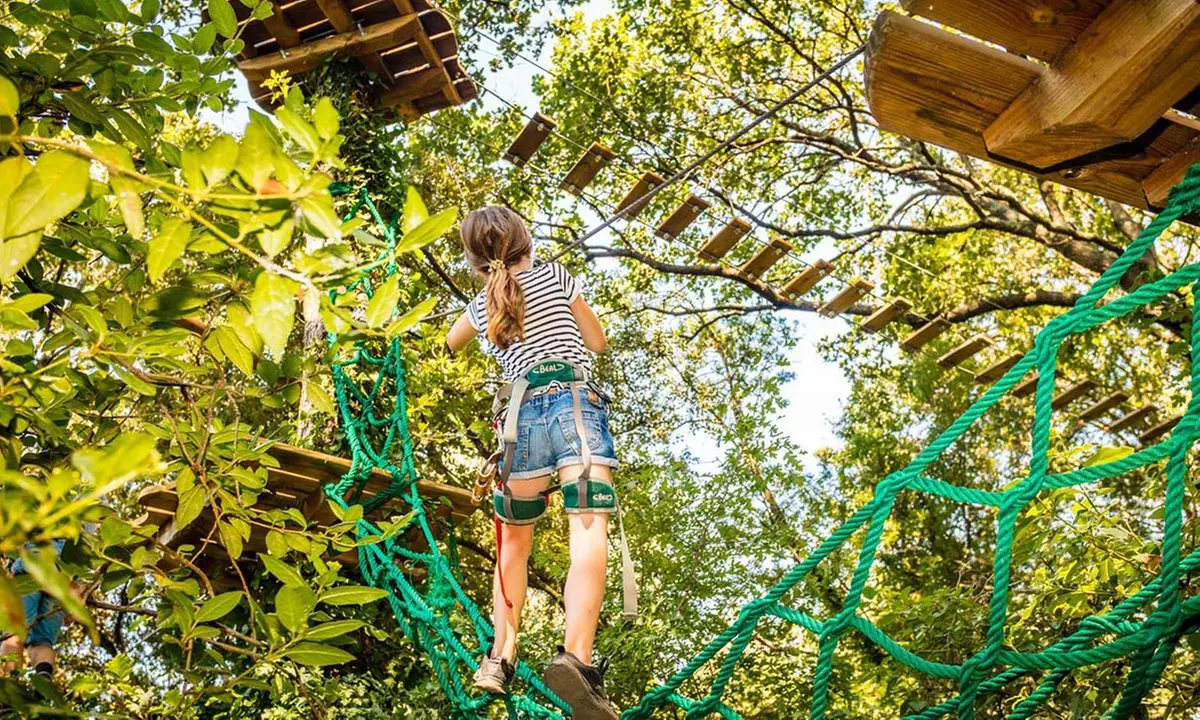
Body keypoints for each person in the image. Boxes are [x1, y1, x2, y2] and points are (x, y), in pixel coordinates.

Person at [446, 206, 621, 719]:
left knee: (513, 547)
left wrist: (480, 305)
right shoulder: (558, 276)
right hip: (573, 406)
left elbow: (450, 343)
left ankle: (499, 657)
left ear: (476, 260)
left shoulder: (482, 305)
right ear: (525, 241)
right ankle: (577, 660)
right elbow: (597, 341)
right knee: (587, 531)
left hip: (518, 423)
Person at [0, 541, 68, 684]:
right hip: (63, 583)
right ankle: (43, 680)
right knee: (42, 640)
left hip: (31, 572)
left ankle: (8, 697)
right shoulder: (88, 524)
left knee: (14, 634)